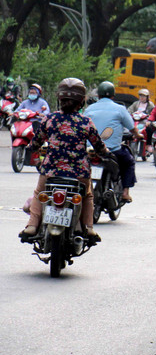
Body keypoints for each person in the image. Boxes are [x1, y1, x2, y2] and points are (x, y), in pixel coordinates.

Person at [20, 78, 109, 240]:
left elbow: (36, 142)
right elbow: (98, 146)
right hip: (79, 173)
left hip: (51, 171)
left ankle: (32, 226)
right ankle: (89, 228)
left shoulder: (50, 119)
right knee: (88, 196)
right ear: (81, 101)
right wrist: (106, 153)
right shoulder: (85, 122)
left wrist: (30, 148)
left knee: (40, 193)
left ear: (59, 99)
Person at [84, 81, 141, 202]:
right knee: (129, 162)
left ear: (98, 95)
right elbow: (132, 128)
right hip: (112, 151)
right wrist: (138, 135)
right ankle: (125, 192)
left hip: (91, 150)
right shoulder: (120, 109)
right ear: (113, 95)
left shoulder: (89, 109)